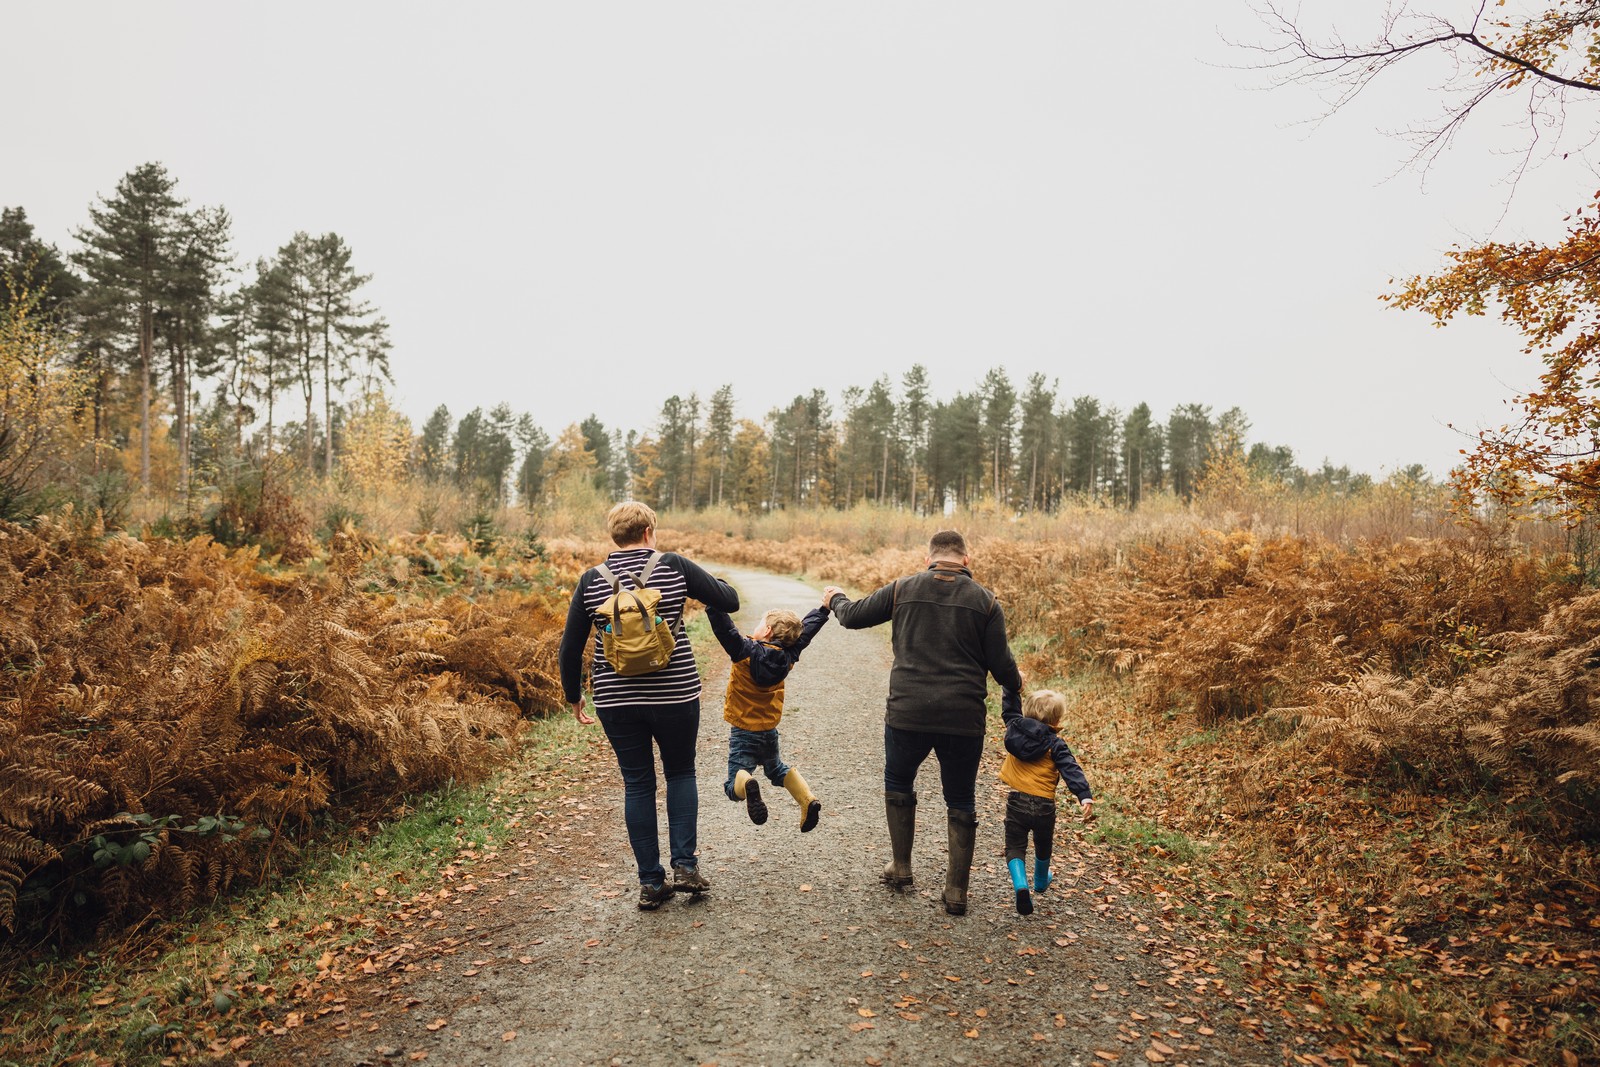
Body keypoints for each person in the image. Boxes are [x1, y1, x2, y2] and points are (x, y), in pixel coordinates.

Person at [824, 529, 1023, 916]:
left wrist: (834, 597)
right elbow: (1002, 666)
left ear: (928, 557)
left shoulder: (902, 588)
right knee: (961, 797)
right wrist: (1016, 684)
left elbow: (852, 616)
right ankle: (955, 892)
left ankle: (900, 867)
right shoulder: (985, 602)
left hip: (908, 713)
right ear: (966, 560)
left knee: (899, 782)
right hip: (963, 717)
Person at [558, 501, 739, 910]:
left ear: (614, 536)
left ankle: (650, 883)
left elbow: (569, 649)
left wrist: (574, 696)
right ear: (648, 532)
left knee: (637, 784)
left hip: (615, 698)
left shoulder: (591, 580)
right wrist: (717, 583)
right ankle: (686, 867)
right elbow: (728, 601)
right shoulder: (673, 565)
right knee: (680, 772)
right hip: (675, 693)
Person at [705, 602, 830, 832]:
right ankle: (808, 799)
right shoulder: (788, 656)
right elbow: (807, 632)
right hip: (769, 732)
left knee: (733, 785)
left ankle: (748, 783)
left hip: (743, 731)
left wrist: (714, 602)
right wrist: (823, 610)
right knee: (776, 770)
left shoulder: (744, 651)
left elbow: (724, 629)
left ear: (768, 631)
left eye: (761, 623)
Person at [998, 686, 1093, 915]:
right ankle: (1040, 881)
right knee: (1043, 844)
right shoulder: (1055, 744)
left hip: (1017, 801)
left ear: (1027, 709)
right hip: (1043, 806)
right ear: (1057, 718)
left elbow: (1009, 709)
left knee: (1015, 846)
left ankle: (1021, 885)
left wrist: (1011, 686)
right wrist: (1084, 795)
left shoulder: (1014, 728)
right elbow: (1070, 768)